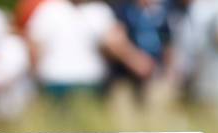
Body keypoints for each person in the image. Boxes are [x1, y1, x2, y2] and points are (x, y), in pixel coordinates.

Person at [22, 0, 154, 100]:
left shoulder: (48, 9)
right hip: (66, 83)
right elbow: (116, 45)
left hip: (79, 82)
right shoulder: (50, 9)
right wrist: (138, 62)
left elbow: (34, 47)